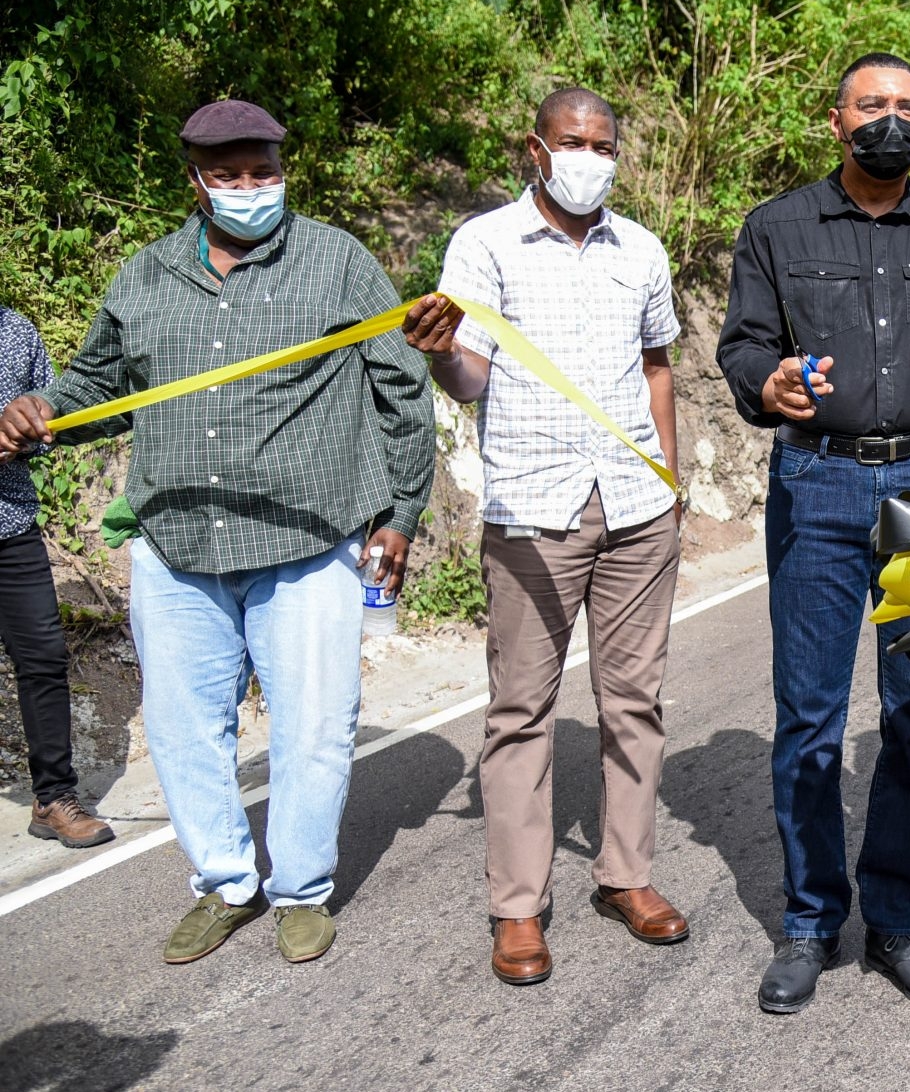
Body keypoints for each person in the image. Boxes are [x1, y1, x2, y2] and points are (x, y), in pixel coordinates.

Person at [0, 99, 435, 965]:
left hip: (308, 540)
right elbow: (96, 384)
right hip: (177, 545)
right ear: (196, 183)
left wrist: (401, 514)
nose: (248, 189)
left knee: (313, 723)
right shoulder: (146, 275)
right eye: (228, 176)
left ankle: (302, 888)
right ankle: (225, 882)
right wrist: (45, 409)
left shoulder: (336, 262)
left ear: (284, 168)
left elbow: (402, 386)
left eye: (262, 172)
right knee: (183, 726)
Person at [717, 52, 910, 1014]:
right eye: (873, 104)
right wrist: (770, 383)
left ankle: (896, 919)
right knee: (808, 717)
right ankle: (808, 922)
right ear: (833, 120)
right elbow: (744, 343)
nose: (894, 119)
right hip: (819, 479)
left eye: (909, 107)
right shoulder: (775, 228)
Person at [401, 88, 689, 987]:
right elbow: (469, 378)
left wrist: (672, 482)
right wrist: (440, 349)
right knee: (522, 711)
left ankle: (625, 875)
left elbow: (657, 365)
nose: (589, 157)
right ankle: (519, 907)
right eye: (573, 141)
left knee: (632, 702)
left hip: (638, 506)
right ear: (536, 147)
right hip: (533, 509)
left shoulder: (640, 248)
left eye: (604, 144)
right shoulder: (483, 245)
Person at [0, 307, 113, 849]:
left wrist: (24, 435)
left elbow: (54, 417)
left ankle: (53, 800)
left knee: (43, 658)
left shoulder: (17, 331)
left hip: (10, 524)